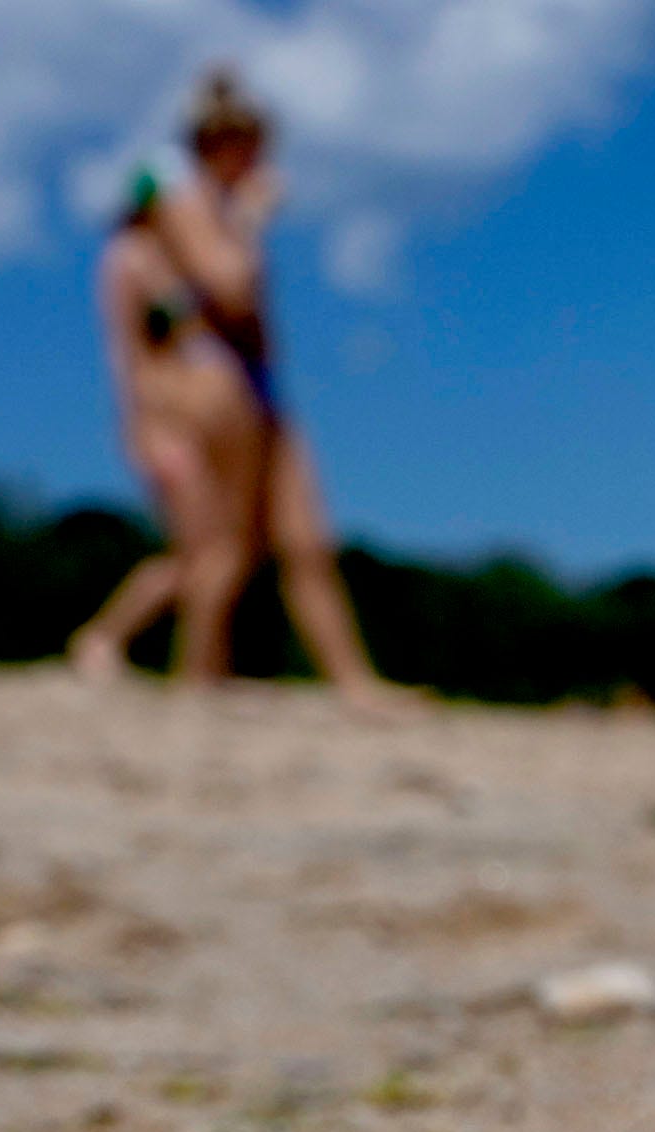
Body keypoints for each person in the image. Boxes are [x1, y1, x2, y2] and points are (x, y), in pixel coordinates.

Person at [64, 67, 392, 705]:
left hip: (249, 389)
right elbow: (222, 291)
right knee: (216, 550)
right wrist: (248, 219)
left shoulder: (191, 209)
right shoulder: (172, 216)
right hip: (211, 393)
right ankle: (179, 668)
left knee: (282, 541)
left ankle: (346, 682)